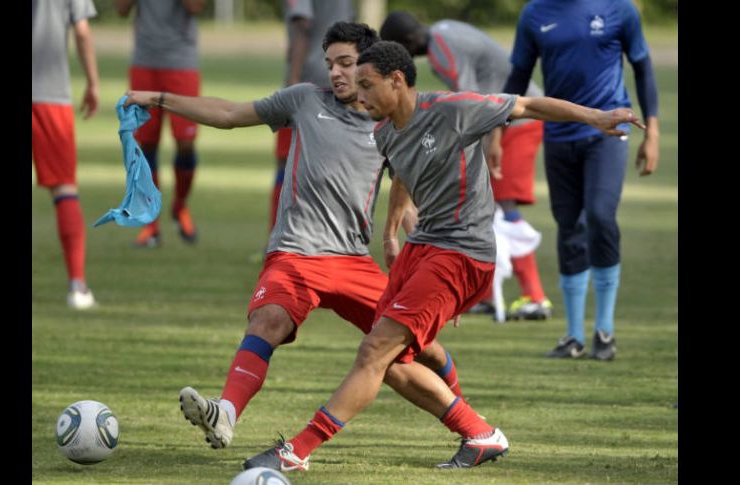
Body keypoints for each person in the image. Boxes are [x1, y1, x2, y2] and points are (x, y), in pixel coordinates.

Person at [242, 41, 644, 472]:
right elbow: (403, 176)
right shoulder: (384, 131)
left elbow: (528, 105)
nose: (358, 96)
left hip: (463, 251)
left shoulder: (454, 109)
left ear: (397, 81)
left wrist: (597, 117)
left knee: (374, 350)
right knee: (392, 361)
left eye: (367, 85)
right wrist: (393, 230)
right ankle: (478, 432)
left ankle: (296, 451)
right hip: (424, 247)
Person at [123, 22, 465, 450]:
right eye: (330, 64)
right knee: (267, 321)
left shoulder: (389, 125)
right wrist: (157, 99)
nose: (336, 73)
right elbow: (229, 115)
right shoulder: (305, 100)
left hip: (352, 260)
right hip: (295, 252)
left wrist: (428, 263)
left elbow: (410, 201)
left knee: (421, 344)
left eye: (346, 63)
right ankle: (224, 414)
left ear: (370, 66)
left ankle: (468, 414)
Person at [502, 0, 660, 360]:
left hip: (608, 135)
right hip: (558, 139)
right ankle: (573, 336)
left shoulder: (621, 9)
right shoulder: (534, 14)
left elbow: (643, 68)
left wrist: (652, 134)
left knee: (601, 217)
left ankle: (604, 332)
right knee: (569, 227)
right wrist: (496, 131)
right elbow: (517, 78)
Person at [379, 11, 552, 321]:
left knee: (503, 203)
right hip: (506, 118)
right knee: (489, 202)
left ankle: (535, 296)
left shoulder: (442, 51)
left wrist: (492, 142)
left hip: (516, 121)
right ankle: (484, 293)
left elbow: (468, 103)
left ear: (407, 44)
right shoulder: (445, 30)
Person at [115, 0, 206, 248]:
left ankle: (180, 206)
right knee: (146, 146)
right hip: (145, 61)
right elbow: (121, 10)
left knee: (186, 144)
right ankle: (150, 225)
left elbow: (196, 6)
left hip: (181, 61)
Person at [32, 0, 100, 310]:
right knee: (64, 187)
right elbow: (82, 31)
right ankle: (77, 285)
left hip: (49, 94)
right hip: (50, 94)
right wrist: (93, 82)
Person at [269, 0, 355, 232]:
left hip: (308, 82)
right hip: (339, 81)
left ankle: (277, 237)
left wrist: (293, 81)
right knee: (333, 163)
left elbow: (302, 25)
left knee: (286, 161)